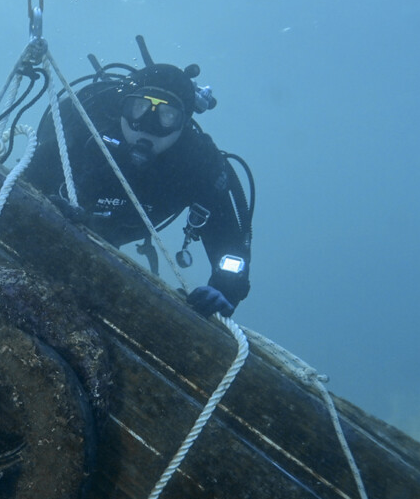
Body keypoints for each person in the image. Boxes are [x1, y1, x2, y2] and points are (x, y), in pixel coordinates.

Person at [24, 37, 254, 317]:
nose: (147, 125)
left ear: (183, 124)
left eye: (167, 115)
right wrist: (45, 207)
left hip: (118, 235)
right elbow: (24, 182)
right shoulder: (86, 129)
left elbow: (231, 250)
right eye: (139, 108)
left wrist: (224, 289)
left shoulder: (196, 164)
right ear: (123, 107)